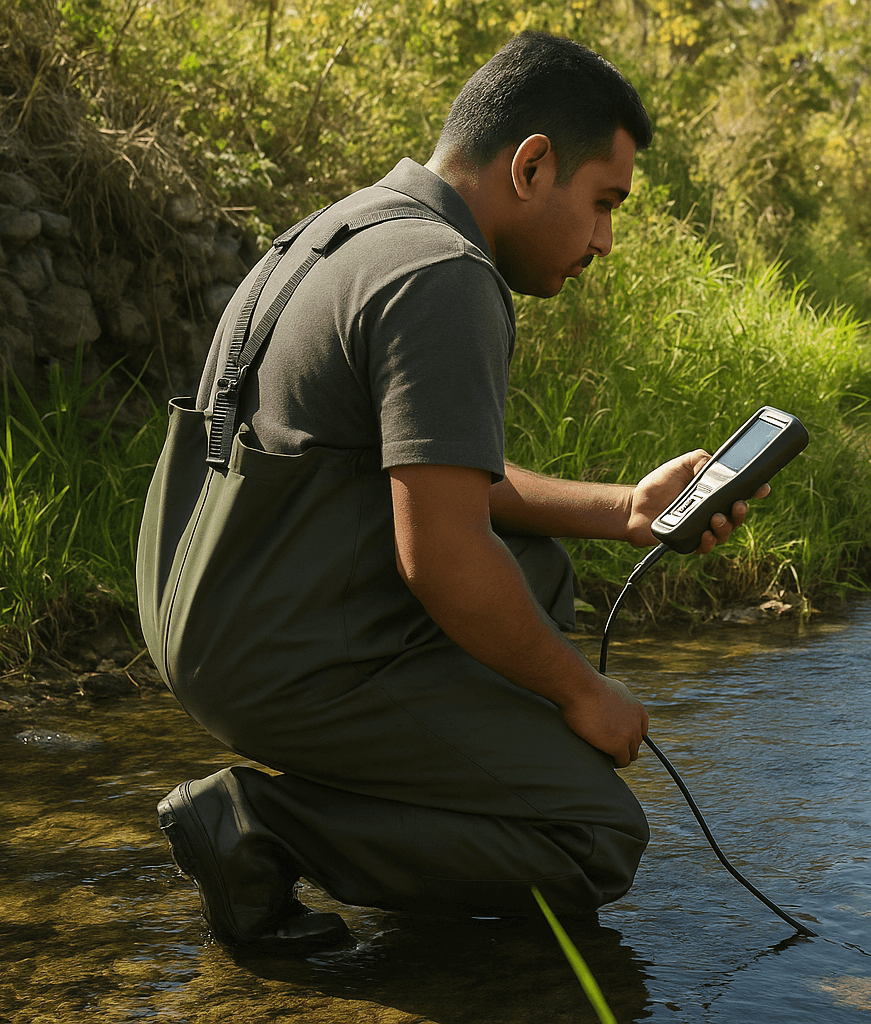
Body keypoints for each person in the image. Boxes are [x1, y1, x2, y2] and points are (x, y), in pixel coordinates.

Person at [135, 31, 764, 952]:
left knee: (538, 572)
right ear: (533, 164)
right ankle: (264, 827)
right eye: (603, 204)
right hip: (272, 650)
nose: (606, 241)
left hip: (202, 614)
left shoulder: (350, 228)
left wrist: (625, 510)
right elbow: (443, 553)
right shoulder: (444, 276)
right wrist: (584, 693)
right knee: (593, 837)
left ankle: (409, 797)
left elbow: (436, 477)